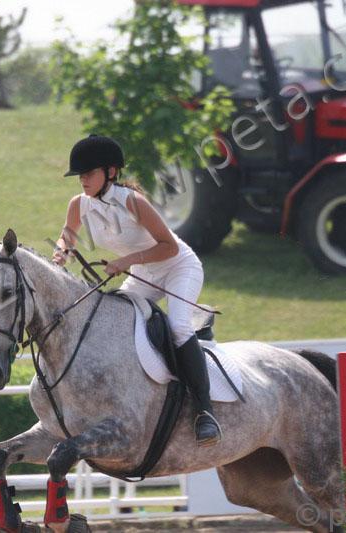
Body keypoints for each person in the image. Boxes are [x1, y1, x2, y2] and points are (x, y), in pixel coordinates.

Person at [51, 134, 222, 447]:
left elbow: (169, 247)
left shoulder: (133, 202)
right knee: (113, 324)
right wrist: (61, 251)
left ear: (111, 172)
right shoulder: (79, 204)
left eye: (89, 173)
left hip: (178, 267)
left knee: (178, 326)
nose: (83, 180)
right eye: (80, 175)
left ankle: (204, 411)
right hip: (143, 272)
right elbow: (68, 235)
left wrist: (125, 261)